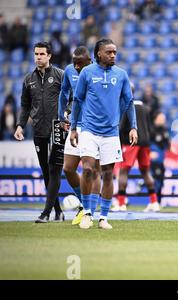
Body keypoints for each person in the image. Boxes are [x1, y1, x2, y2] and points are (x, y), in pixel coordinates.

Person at [70, 38, 137, 230]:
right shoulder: (87, 73)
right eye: (109, 52)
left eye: (115, 52)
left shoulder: (121, 74)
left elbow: (129, 102)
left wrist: (133, 127)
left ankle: (103, 217)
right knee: (89, 169)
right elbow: (77, 100)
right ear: (99, 53)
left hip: (111, 133)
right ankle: (87, 213)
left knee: (108, 174)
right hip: (89, 130)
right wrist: (74, 128)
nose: (113, 55)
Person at [14, 41, 65, 223]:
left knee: (54, 170)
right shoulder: (28, 79)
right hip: (38, 130)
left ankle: (46, 213)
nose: (38, 57)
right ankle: (58, 211)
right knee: (46, 171)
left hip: (57, 129)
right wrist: (20, 125)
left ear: (49, 56)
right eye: (36, 54)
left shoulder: (60, 75)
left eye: (42, 54)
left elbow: (73, 98)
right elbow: (25, 105)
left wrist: (66, 118)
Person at [58, 45, 102, 226]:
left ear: (89, 61)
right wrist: (61, 116)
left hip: (93, 126)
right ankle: (85, 205)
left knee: (91, 169)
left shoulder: (97, 72)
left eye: (80, 63)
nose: (76, 67)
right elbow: (64, 93)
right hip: (75, 125)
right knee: (68, 168)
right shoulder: (69, 71)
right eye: (74, 63)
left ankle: (90, 210)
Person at [116, 83, 160, 213]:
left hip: (130, 143)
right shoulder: (145, 107)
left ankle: (121, 203)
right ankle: (154, 202)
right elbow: (149, 128)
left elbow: (122, 127)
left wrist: (119, 142)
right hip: (145, 143)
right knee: (146, 172)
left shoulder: (126, 106)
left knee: (123, 172)